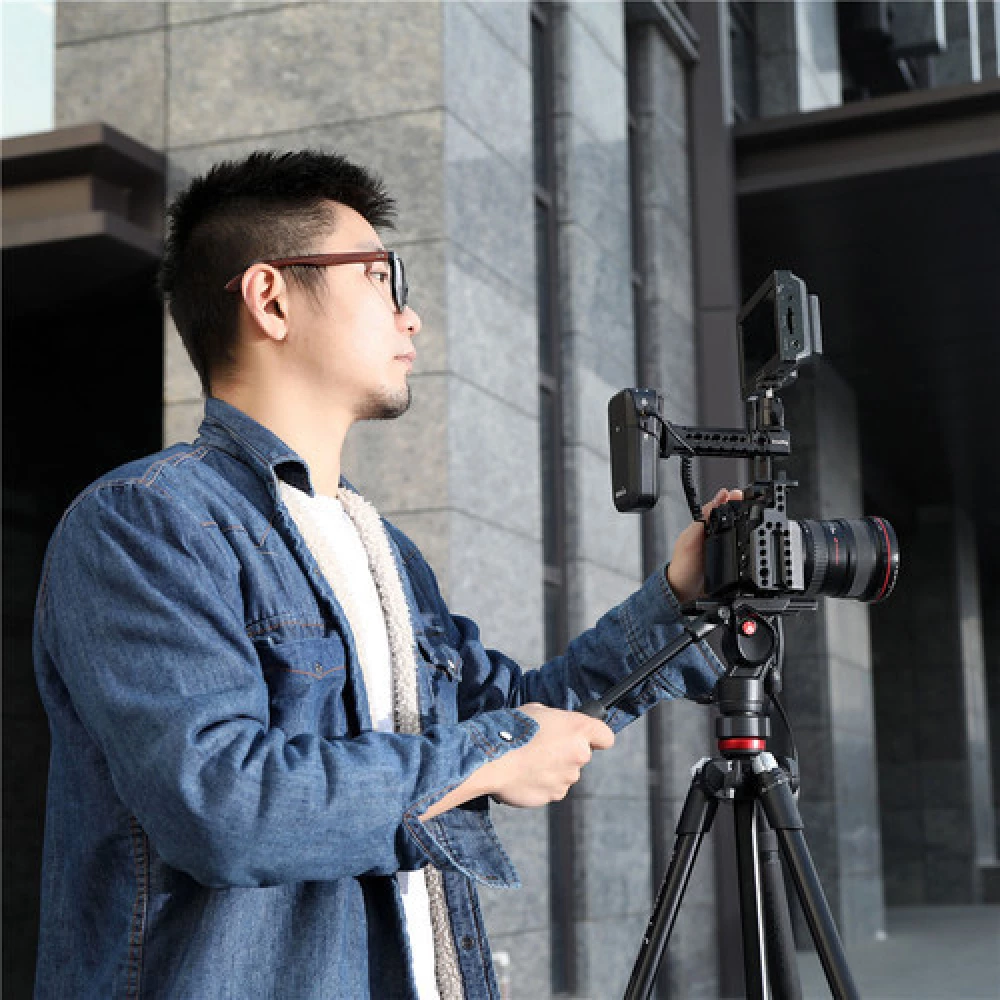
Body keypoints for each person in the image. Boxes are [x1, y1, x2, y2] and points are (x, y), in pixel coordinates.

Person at [32, 150, 737, 1000]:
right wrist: (487, 755)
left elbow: (516, 712)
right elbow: (222, 803)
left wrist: (678, 598)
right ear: (270, 298)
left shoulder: (381, 547)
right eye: (379, 276)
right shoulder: (144, 522)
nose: (411, 316)